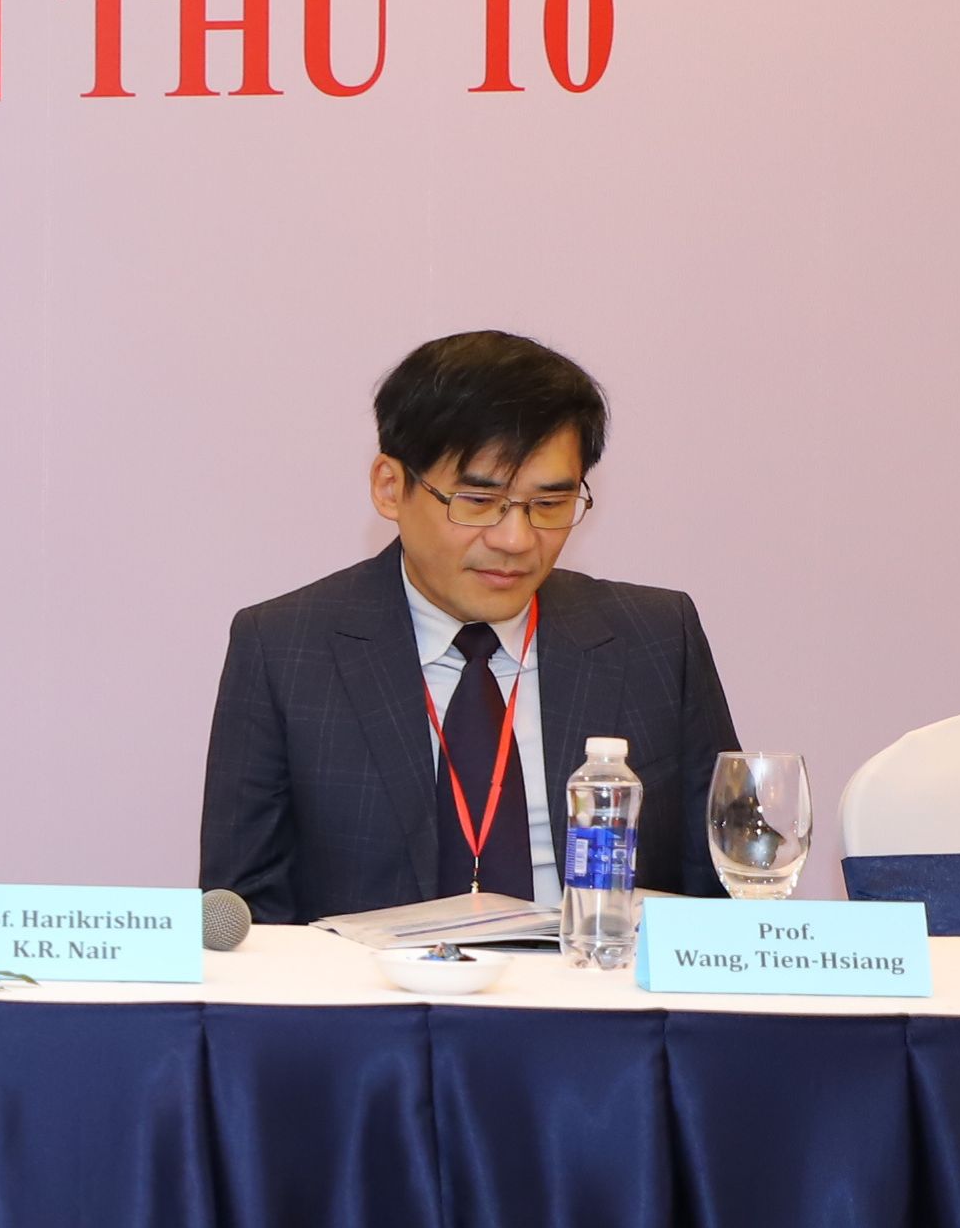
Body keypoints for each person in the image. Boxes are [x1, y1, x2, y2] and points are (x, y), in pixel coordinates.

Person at [201, 328, 738, 924]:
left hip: (594, 977)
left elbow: (725, 891)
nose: (516, 540)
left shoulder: (656, 639)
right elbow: (245, 915)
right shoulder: (284, 648)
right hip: (373, 984)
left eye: (549, 505)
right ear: (390, 487)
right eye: (478, 502)